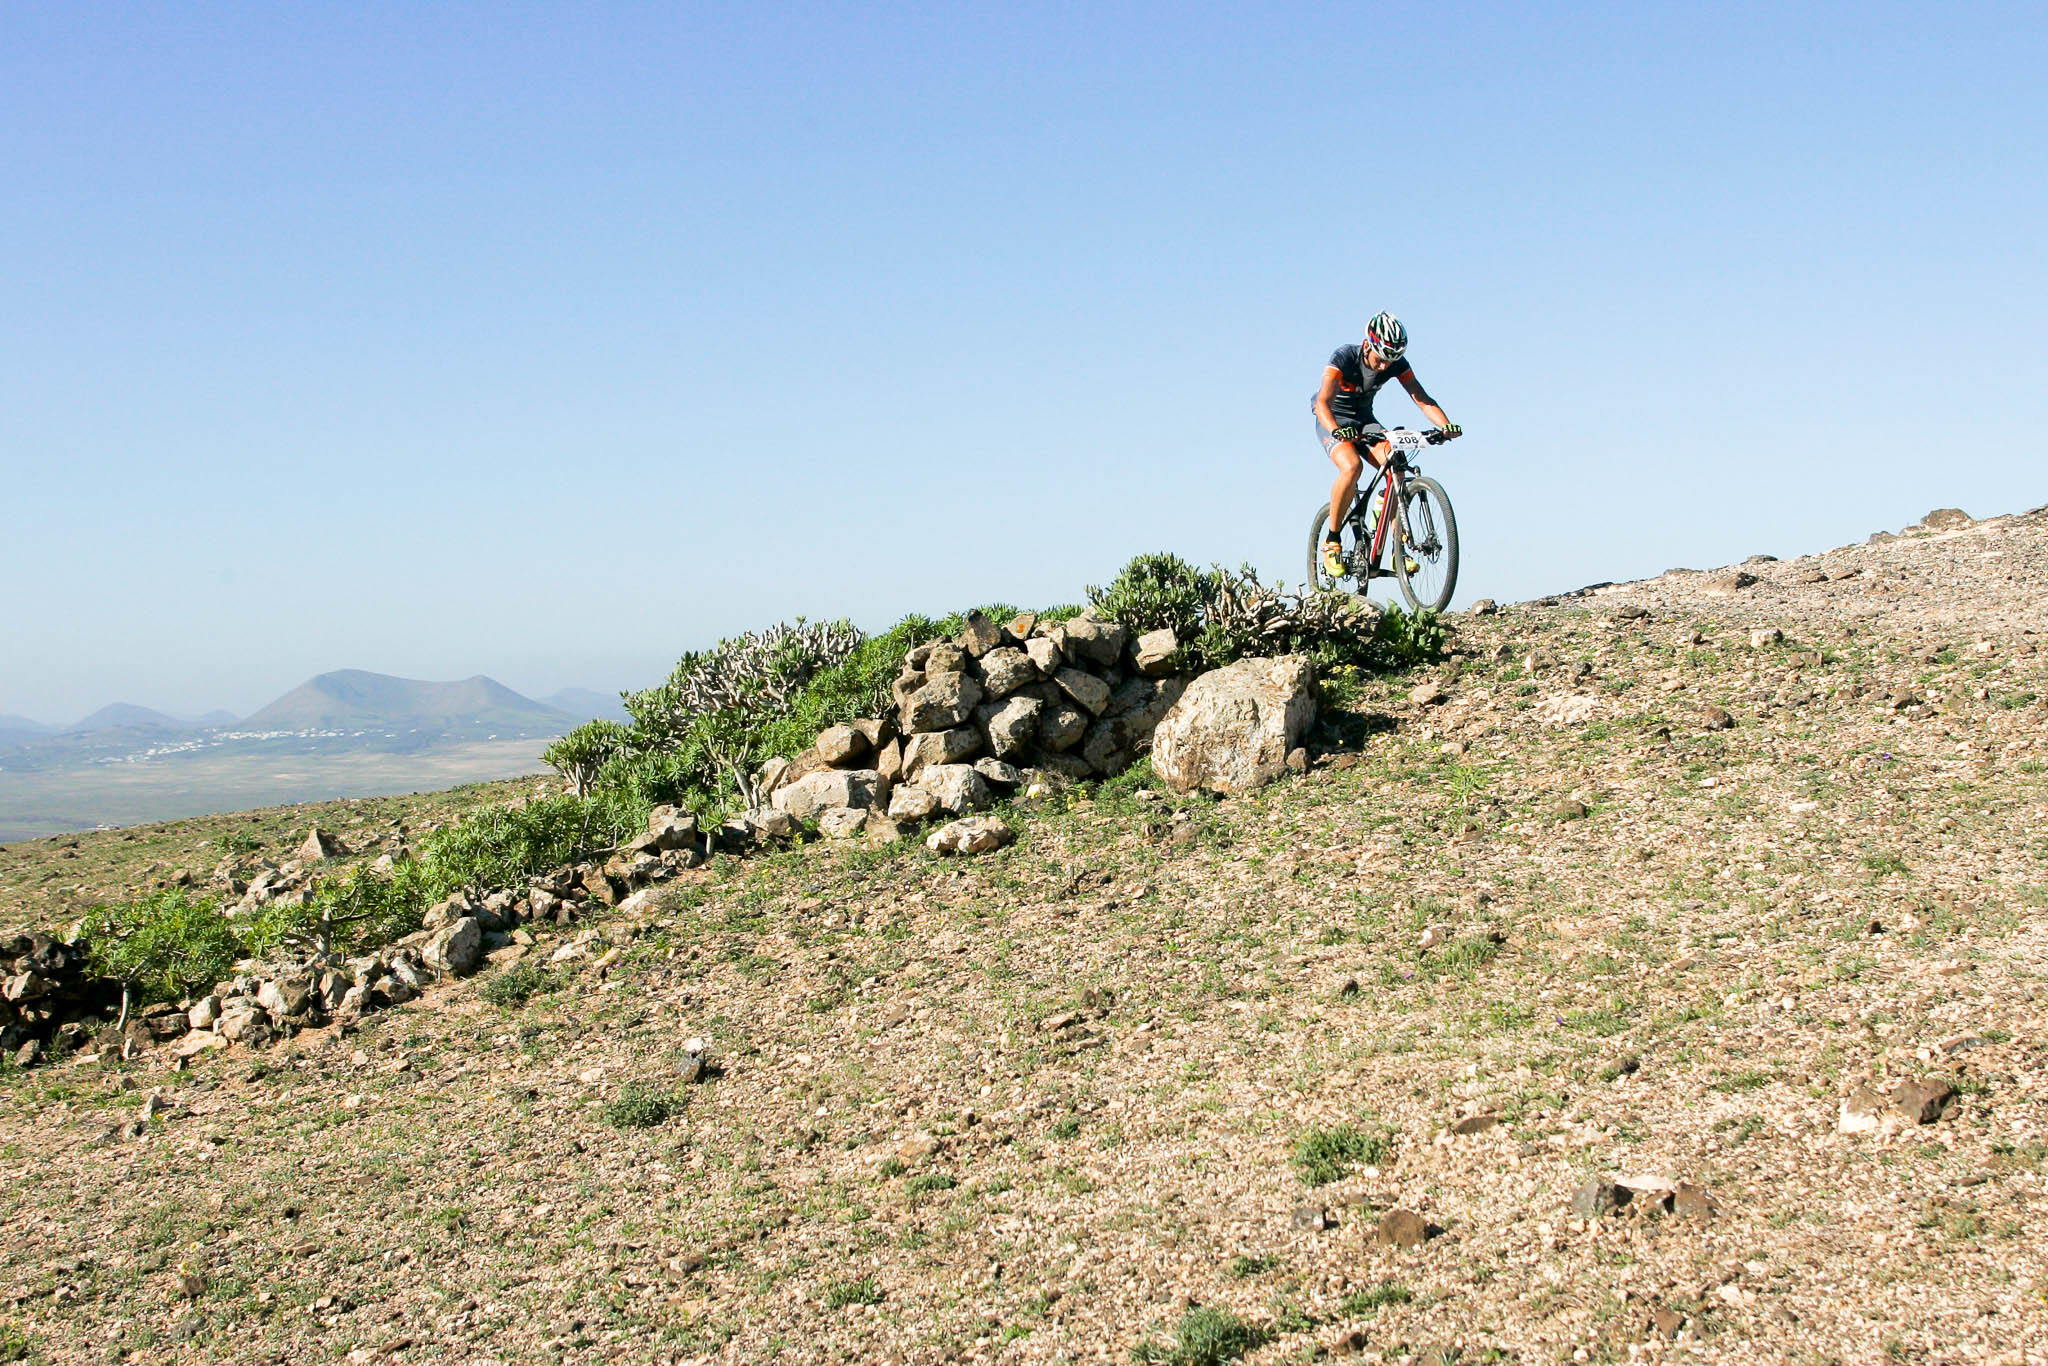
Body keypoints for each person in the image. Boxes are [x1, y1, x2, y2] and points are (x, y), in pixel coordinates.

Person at [1313, 312, 1460, 578]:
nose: (1384, 367)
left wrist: (1445, 426)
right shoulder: (1344, 358)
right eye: (1380, 359)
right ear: (1367, 345)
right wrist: (1336, 431)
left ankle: (1395, 548)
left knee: (1396, 463)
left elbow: (1420, 396)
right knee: (1352, 467)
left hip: (1365, 420)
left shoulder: (1394, 363)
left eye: (1389, 361)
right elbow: (1322, 402)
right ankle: (1332, 541)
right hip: (1333, 418)